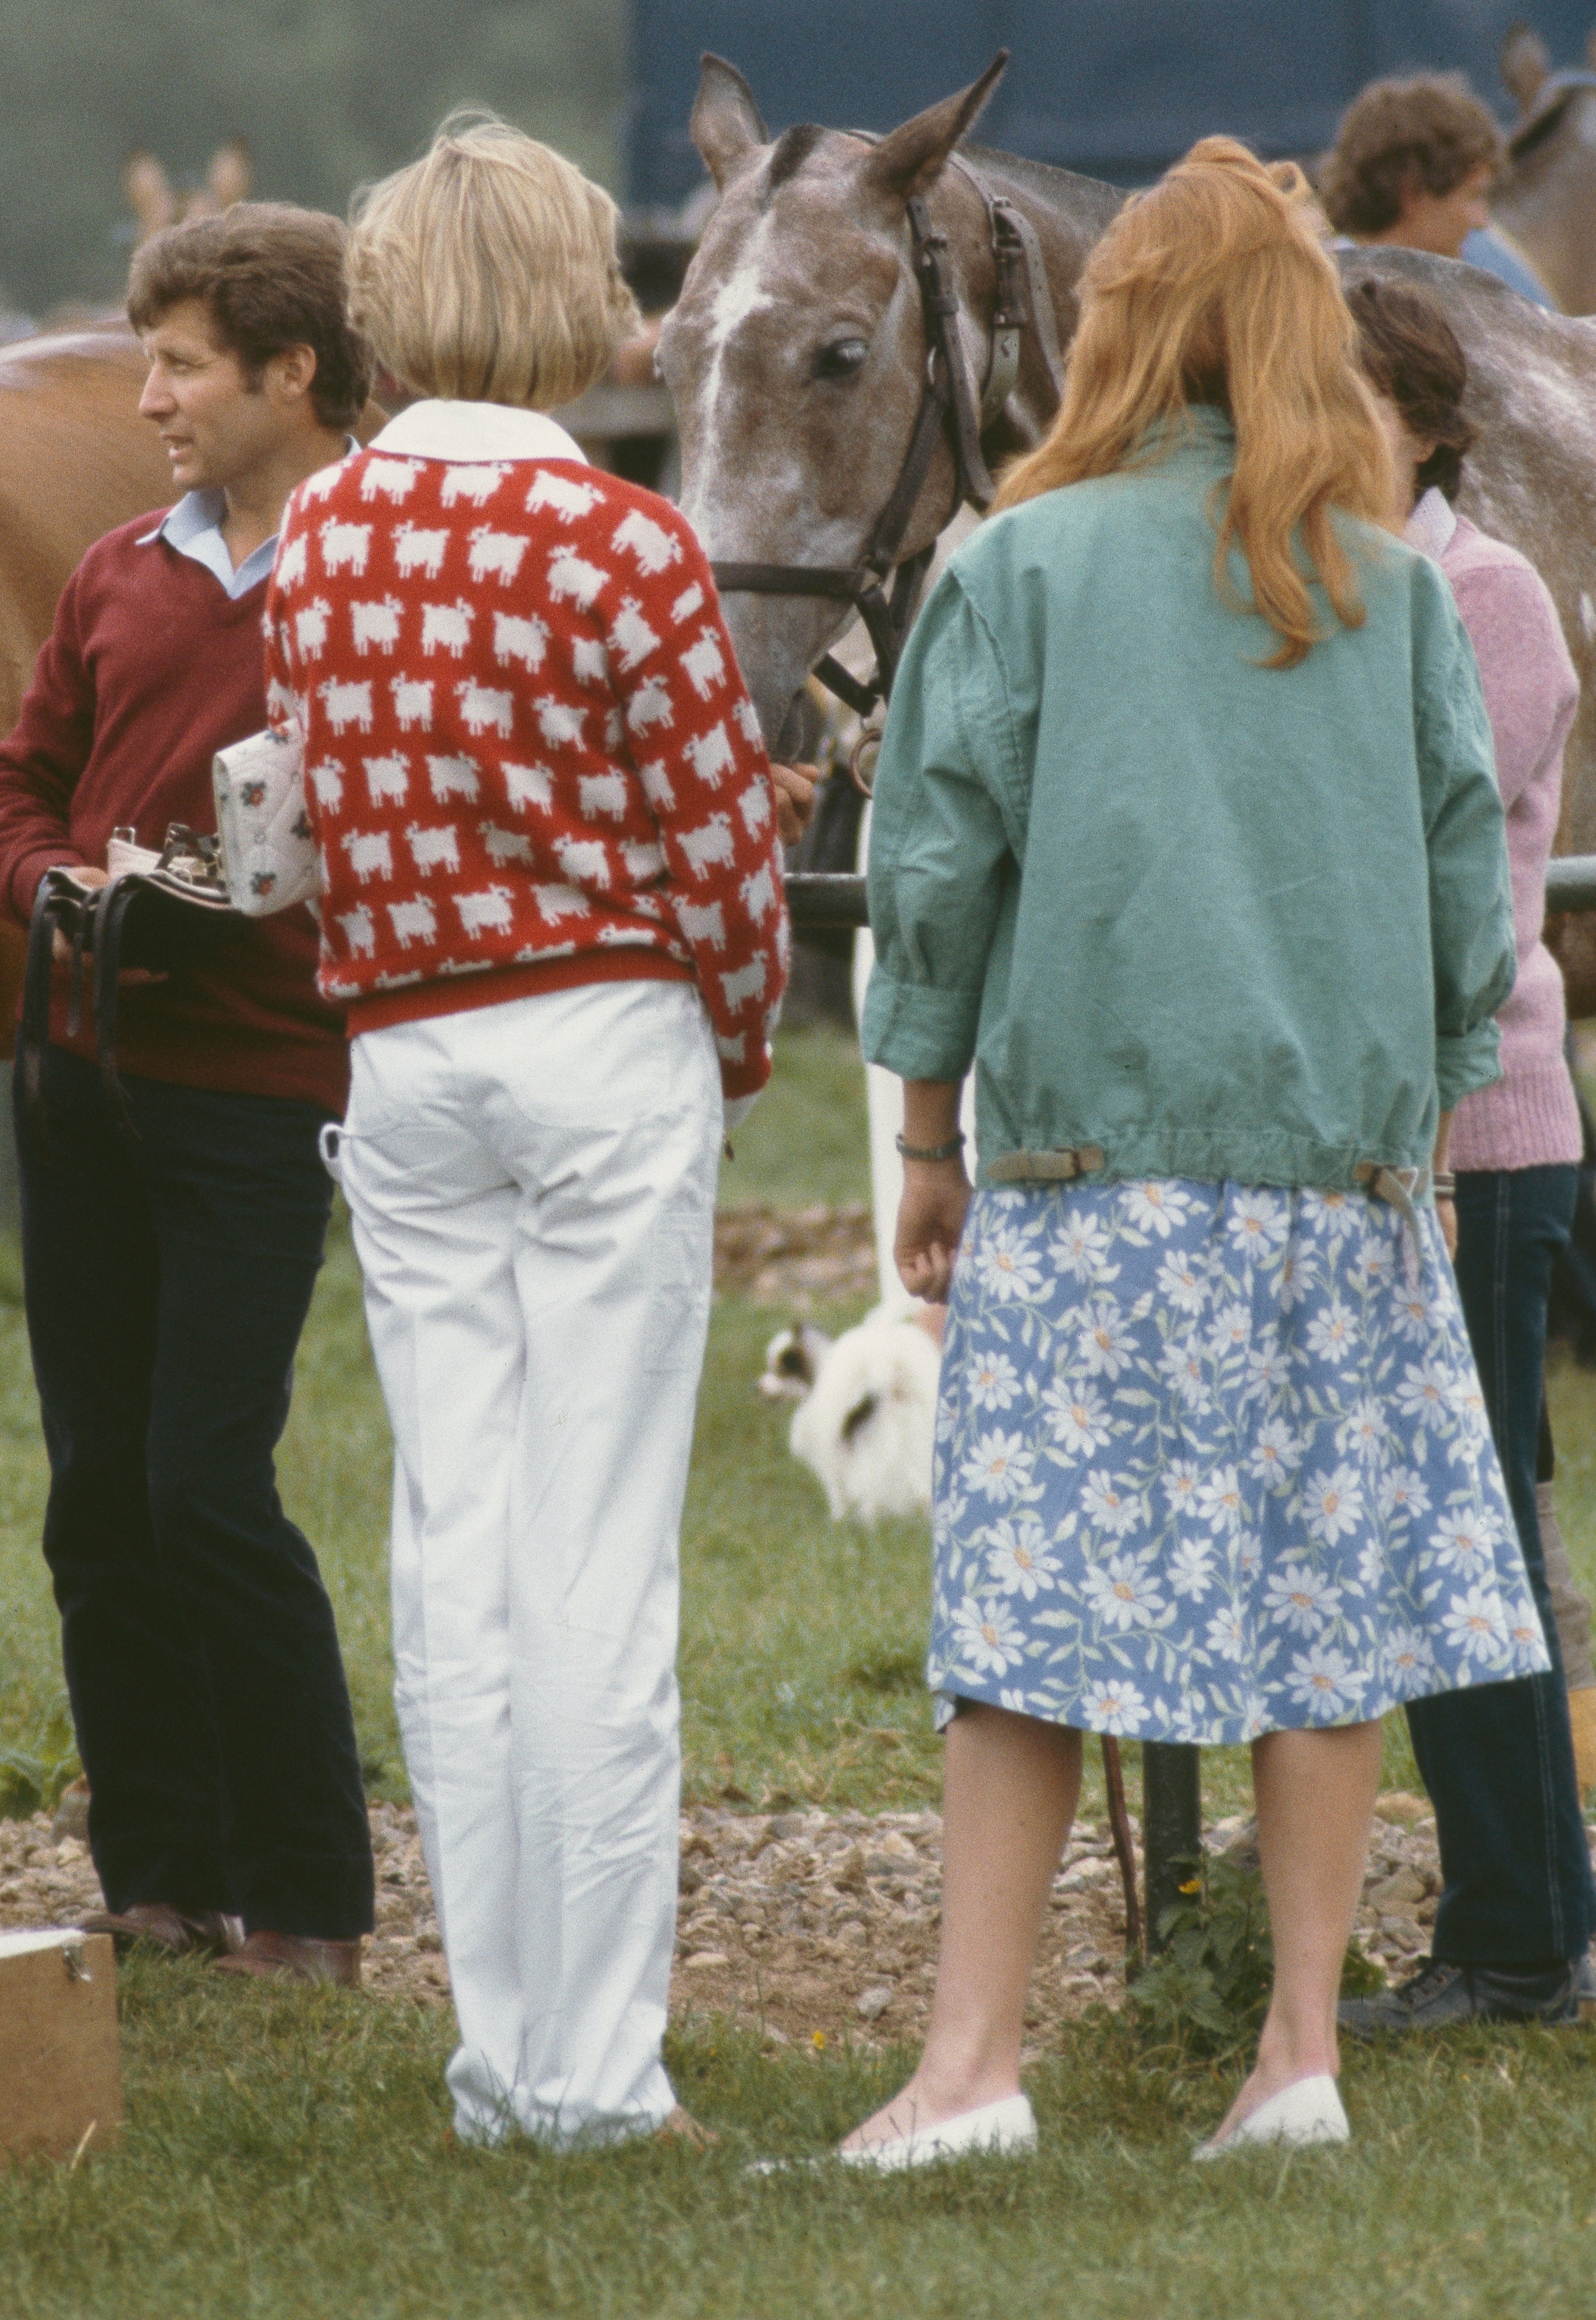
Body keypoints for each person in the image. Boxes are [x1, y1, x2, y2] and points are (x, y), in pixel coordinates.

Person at [844, 139, 1544, 2169]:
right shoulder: (1389, 578)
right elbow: (1458, 912)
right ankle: (1294, 2056)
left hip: (1088, 1174)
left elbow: (937, 870)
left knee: (1026, 1630)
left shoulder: (1015, 564)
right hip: (1339, 1185)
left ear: (1120, 326)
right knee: (1319, 1619)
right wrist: (1406, 1116)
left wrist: (918, 1131)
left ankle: (970, 2069)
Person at [260, 115, 791, 2148]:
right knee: (598, 1570)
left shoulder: (314, 538)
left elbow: (313, 813)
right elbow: (728, 862)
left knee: (451, 1551)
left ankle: (499, 2053)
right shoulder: (619, 541)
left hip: (401, 1058)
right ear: (571, 305)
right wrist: (726, 1046)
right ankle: (596, 2067)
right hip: (597, 1037)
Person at [0, 204, 376, 1983]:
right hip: (78, 1080)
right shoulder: (122, 568)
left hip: (255, 1090)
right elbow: (9, 786)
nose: (147, 398)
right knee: (90, 1495)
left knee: (206, 1480)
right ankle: (156, 1874)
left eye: (181, 365)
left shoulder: (383, 572)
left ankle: (310, 1896)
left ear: (292, 372)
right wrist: (46, 878)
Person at [1338, 277, 1595, 2031]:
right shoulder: (1358, 586)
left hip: (1483, 1131)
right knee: (1452, 1524)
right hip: (1392, 1132)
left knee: (1475, 1526)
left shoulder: (1481, 594)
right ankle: (1528, 1913)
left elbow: (1414, 869)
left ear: (1429, 424)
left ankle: (1518, 1936)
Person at [1324, 74, 1557, 307]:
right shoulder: (1320, 301)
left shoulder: (1486, 260)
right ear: (1413, 194)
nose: (1482, 220)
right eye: (1473, 196)